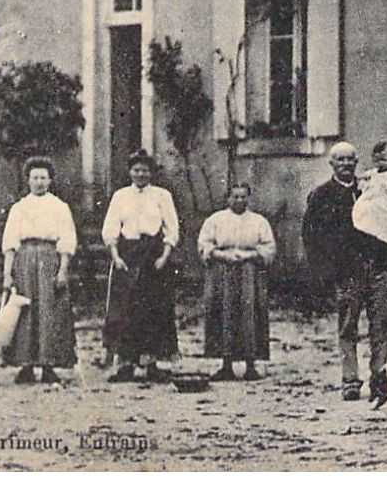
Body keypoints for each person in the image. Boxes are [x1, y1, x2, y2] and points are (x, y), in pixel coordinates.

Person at [302, 141, 387, 403]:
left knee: (383, 325)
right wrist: (328, 272)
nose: (345, 164)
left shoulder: (370, 189)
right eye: (340, 160)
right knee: (348, 326)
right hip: (347, 272)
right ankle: (350, 380)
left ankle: (380, 377)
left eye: (350, 159)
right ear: (331, 164)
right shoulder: (321, 195)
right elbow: (311, 237)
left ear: (357, 162)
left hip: (379, 265)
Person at [101, 151, 180, 383]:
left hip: (153, 256)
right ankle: (125, 363)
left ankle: (151, 363)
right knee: (125, 310)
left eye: (145, 170)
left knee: (153, 309)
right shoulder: (120, 196)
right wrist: (116, 256)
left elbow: (172, 228)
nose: (141, 174)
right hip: (127, 254)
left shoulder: (162, 196)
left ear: (151, 172)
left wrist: (164, 257)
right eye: (136, 170)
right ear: (130, 172)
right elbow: (111, 228)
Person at [0, 157, 77, 385]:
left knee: (49, 310)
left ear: (50, 180)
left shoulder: (60, 207)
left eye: (43, 177)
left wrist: (62, 270)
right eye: (35, 177)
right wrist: (7, 273)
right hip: (24, 260)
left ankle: (48, 364)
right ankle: (25, 364)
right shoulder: (19, 208)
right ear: (28, 180)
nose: (39, 182)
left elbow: (67, 240)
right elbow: (10, 242)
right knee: (24, 310)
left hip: (49, 259)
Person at [197, 182, 277, 381]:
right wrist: (220, 255)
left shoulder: (259, 221)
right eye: (235, 196)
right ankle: (226, 364)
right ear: (228, 198)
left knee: (250, 313)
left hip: (250, 273)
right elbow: (204, 244)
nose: (239, 200)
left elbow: (269, 247)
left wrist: (251, 256)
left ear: (248, 199)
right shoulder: (215, 220)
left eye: (243, 197)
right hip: (221, 272)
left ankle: (250, 364)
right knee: (224, 312)